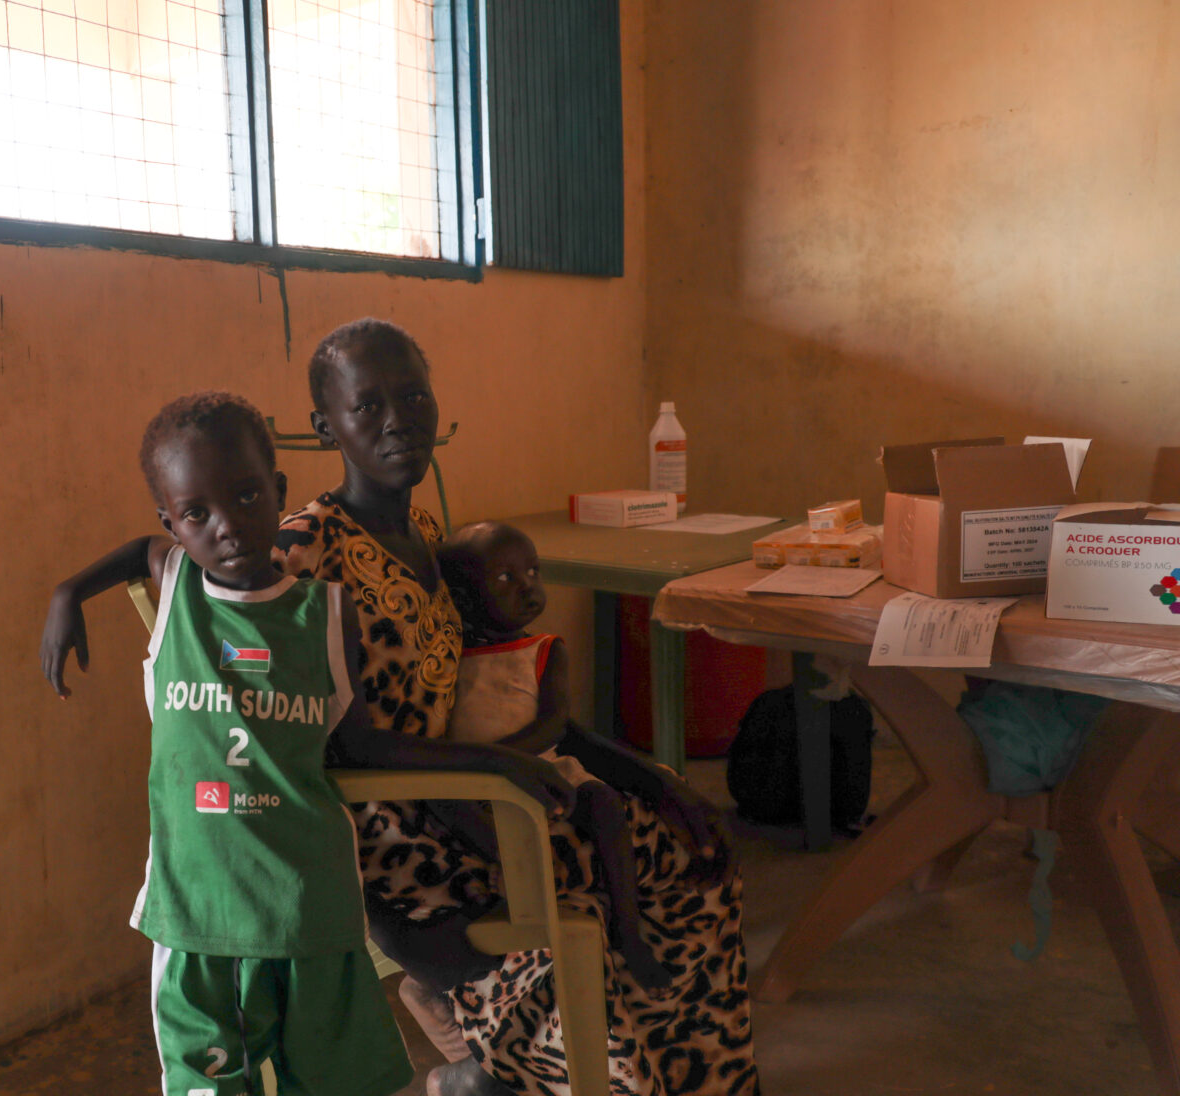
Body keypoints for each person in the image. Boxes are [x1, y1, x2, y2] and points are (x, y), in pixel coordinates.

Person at [276, 317, 759, 1096]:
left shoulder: (426, 531)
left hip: (478, 791)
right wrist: (499, 768)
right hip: (395, 833)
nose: (398, 421)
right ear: (324, 424)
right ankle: (528, 1074)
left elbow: (494, 689)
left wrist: (651, 775)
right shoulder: (306, 545)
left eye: (414, 398)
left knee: (693, 846)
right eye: (368, 406)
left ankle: (693, 1079)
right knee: (617, 876)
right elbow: (340, 742)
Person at [39, 392, 569, 1096]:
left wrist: (497, 760)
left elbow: (362, 749)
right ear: (173, 522)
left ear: (279, 493)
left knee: (331, 1084)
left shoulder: (325, 614)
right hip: (198, 913)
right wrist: (66, 593)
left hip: (311, 907)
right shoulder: (176, 590)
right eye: (197, 514)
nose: (226, 526)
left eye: (248, 495)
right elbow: (140, 553)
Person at [435, 520, 673, 992]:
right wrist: (478, 767)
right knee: (449, 808)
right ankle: (516, 902)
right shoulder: (446, 655)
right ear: (461, 596)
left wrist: (496, 758)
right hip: (473, 777)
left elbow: (553, 725)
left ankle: (627, 927)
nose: (528, 587)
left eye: (533, 572)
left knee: (603, 803)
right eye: (505, 578)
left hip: (540, 765)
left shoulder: (544, 650)